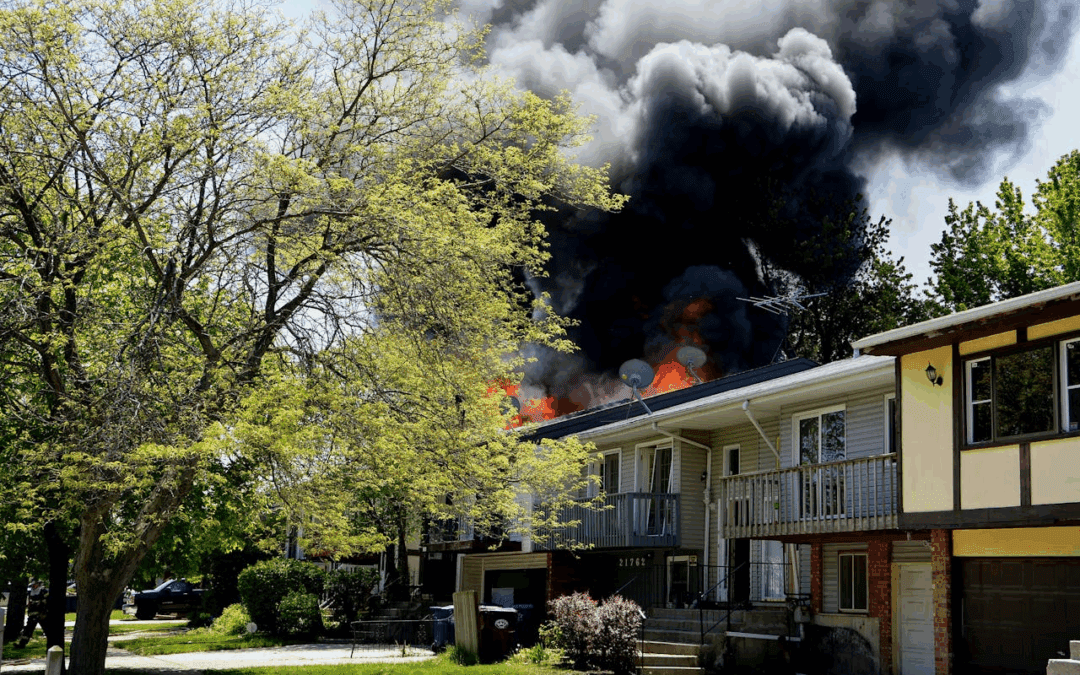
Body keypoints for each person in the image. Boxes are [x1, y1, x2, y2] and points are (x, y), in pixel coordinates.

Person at [16, 580, 47, 648]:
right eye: (33, 585)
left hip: (41, 615)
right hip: (32, 615)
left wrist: (43, 613)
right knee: (28, 630)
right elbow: (29, 604)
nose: (33, 586)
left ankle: (53, 644)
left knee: (47, 629)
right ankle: (22, 644)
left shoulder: (43, 592)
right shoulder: (31, 592)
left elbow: (46, 603)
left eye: (35, 585)